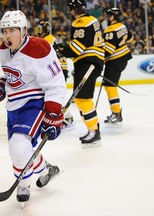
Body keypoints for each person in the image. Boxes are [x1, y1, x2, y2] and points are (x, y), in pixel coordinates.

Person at [0, 10, 66, 203]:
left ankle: (23, 184)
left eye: (12, 30)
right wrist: (1, 84)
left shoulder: (39, 47)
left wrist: (54, 114)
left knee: (18, 145)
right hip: (13, 106)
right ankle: (47, 169)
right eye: (4, 30)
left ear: (23, 30)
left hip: (34, 103)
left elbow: (55, 82)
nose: (7, 35)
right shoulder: (4, 49)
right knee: (20, 150)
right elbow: (13, 75)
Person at [55, 0, 104, 147]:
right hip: (89, 61)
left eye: (70, 10)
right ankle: (93, 129)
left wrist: (62, 50)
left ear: (75, 10)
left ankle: (94, 131)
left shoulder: (80, 22)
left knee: (83, 98)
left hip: (88, 61)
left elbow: (77, 48)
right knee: (81, 98)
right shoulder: (91, 20)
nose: (70, 12)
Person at [35, 20, 75, 129]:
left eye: (39, 29)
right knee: (51, 94)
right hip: (57, 68)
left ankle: (66, 116)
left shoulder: (48, 39)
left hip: (57, 69)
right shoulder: (48, 39)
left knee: (53, 94)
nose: (38, 31)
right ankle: (64, 116)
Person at [103, 8, 133, 123]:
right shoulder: (122, 26)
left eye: (109, 15)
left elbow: (108, 50)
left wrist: (98, 59)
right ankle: (116, 112)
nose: (107, 17)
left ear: (113, 17)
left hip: (115, 60)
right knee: (110, 85)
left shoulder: (110, 29)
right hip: (123, 58)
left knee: (110, 86)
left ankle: (116, 113)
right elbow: (130, 38)